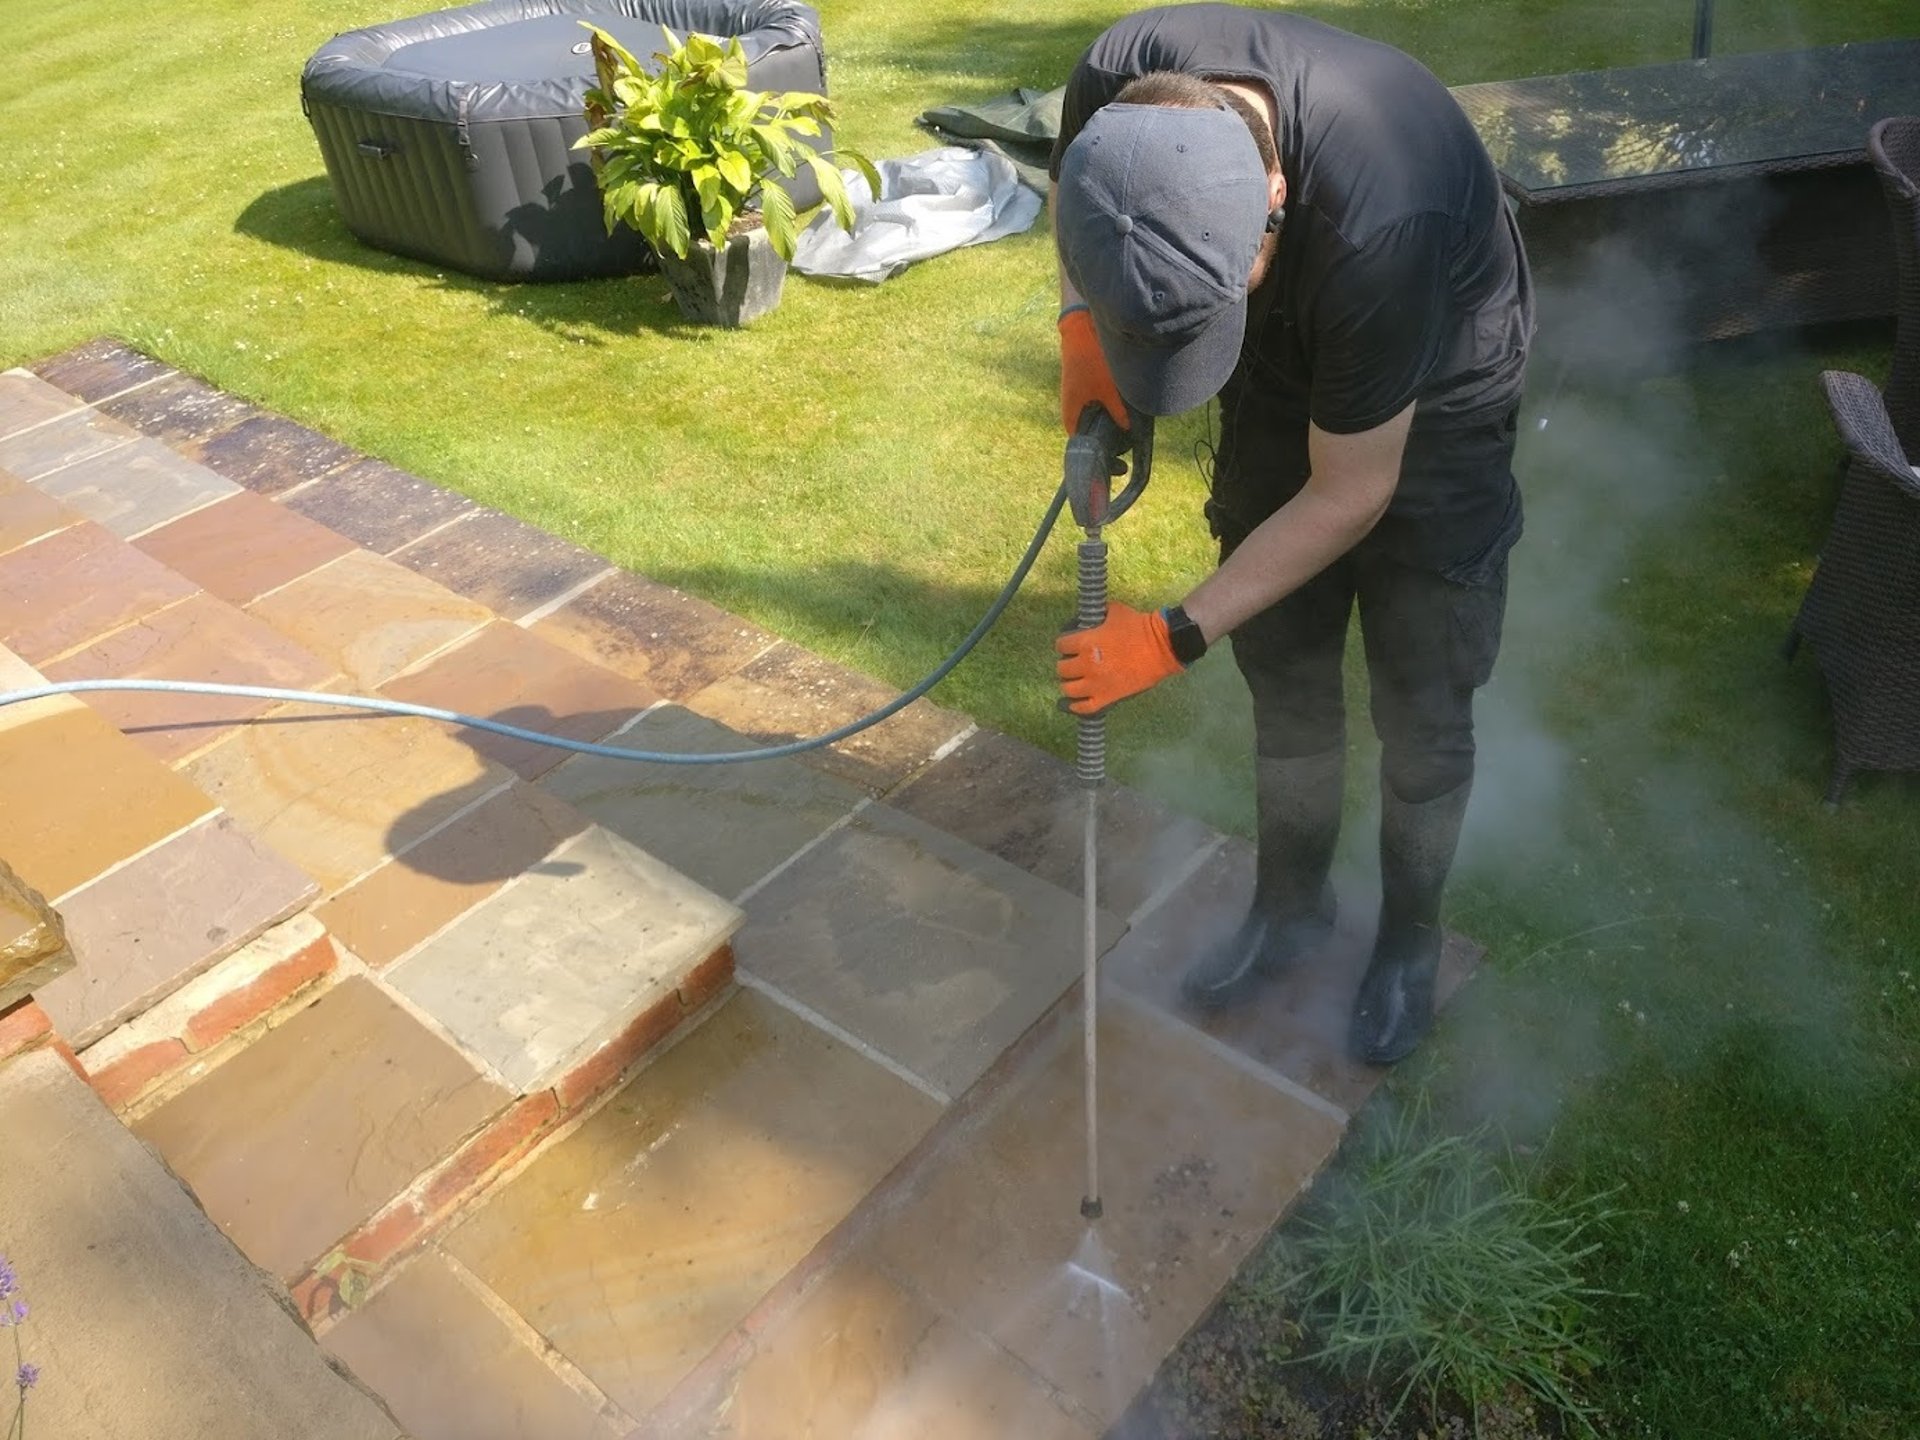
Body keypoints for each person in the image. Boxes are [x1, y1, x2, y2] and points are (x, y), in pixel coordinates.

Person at [1049, 3, 1531, 1065]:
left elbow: (1351, 492)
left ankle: (1406, 944)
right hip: (1281, 347)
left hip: (1436, 375)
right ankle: (1290, 906)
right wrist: (1085, 330)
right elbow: (1074, 207)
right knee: (1288, 659)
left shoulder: (1380, 220)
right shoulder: (1115, 84)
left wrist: (1171, 633)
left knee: (1424, 686)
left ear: (1274, 196)